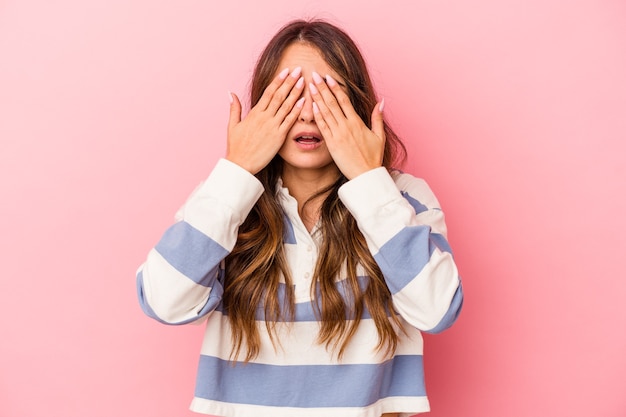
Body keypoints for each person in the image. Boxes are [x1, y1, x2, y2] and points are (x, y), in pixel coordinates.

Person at [137, 19, 463, 417]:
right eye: (290, 94)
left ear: (356, 105)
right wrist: (238, 169)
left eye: (327, 95)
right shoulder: (225, 199)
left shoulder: (403, 198)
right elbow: (163, 302)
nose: (308, 114)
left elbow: (438, 311)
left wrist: (368, 180)